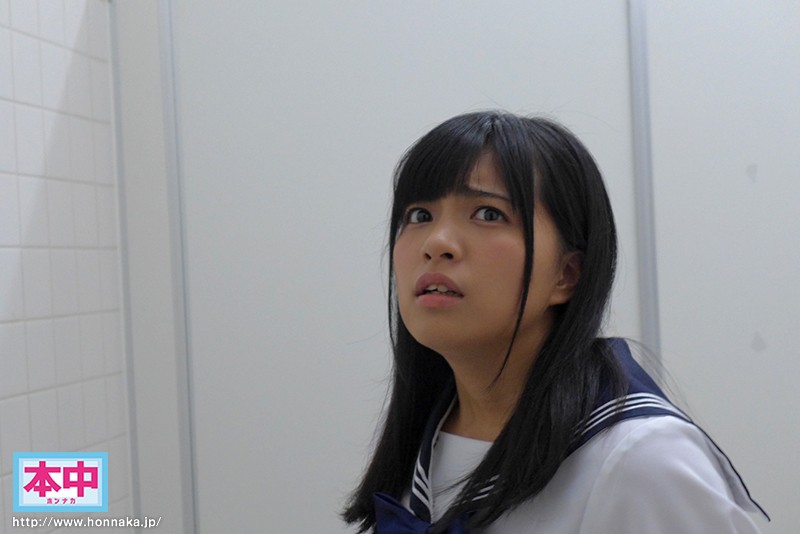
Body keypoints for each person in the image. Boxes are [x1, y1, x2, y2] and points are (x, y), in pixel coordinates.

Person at [342, 111, 767, 533]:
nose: (436, 243)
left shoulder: (642, 461)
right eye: (419, 216)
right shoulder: (424, 440)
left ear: (567, 274)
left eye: (488, 214)